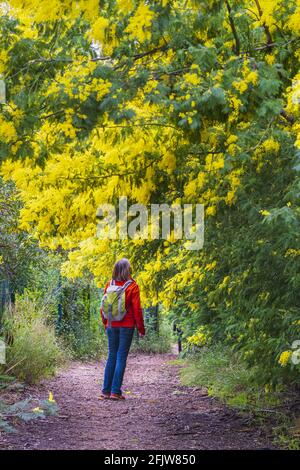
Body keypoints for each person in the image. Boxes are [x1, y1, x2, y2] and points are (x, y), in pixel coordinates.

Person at [100, 258, 145, 400]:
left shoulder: (109, 284)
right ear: (128, 270)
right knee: (120, 356)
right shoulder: (133, 286)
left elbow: (103, 307)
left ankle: (105, 391)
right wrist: (141, 329)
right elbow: (137, 309)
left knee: (111, 355)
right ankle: (115, 392)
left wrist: (105, 323)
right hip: (127, 326)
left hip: (111, 325)